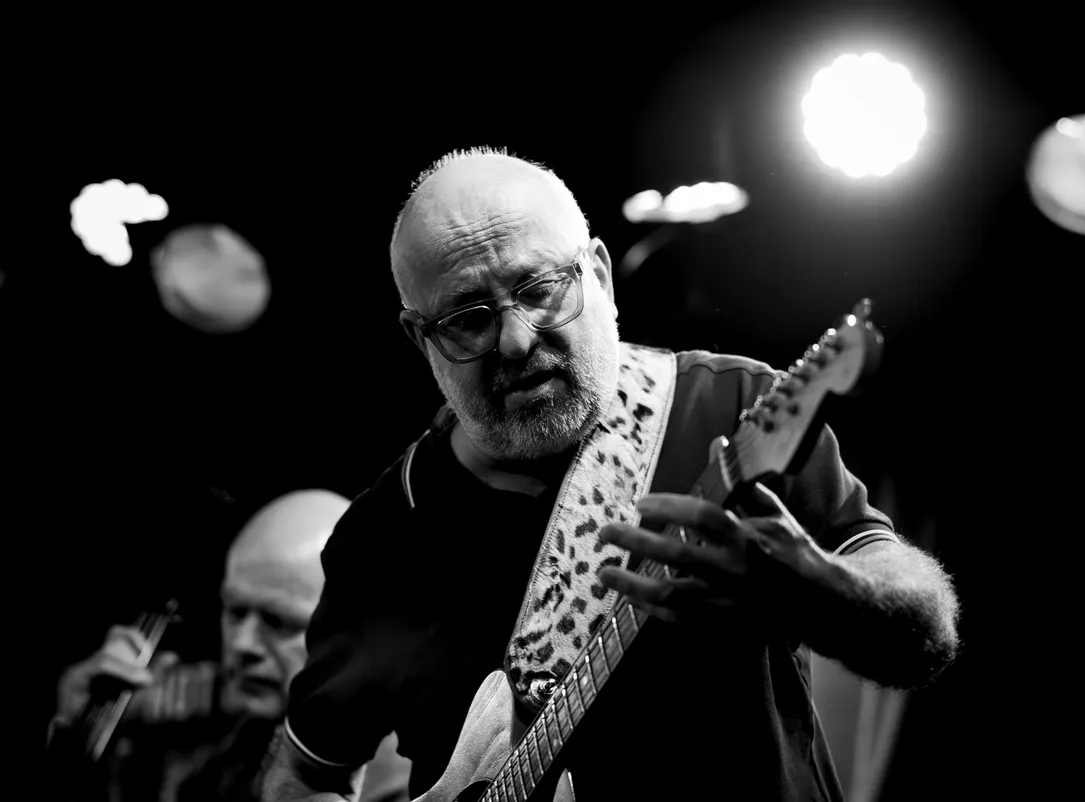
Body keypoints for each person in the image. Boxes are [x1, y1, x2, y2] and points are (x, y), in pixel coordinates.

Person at [261, 149, 960, 802]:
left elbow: (924, 639)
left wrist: (818, 591)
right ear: (422, 338)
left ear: (599, 274)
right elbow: (303, 771)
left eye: (539, 288)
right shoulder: (386, 533)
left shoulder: (729, 408)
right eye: (469, 318)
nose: (516, 340)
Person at [49, 490, 411, 802]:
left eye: (278, 622)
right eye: (235, 611)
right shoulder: (224, 735)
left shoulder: (398, 782)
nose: (241, 644)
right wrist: (78, 728)